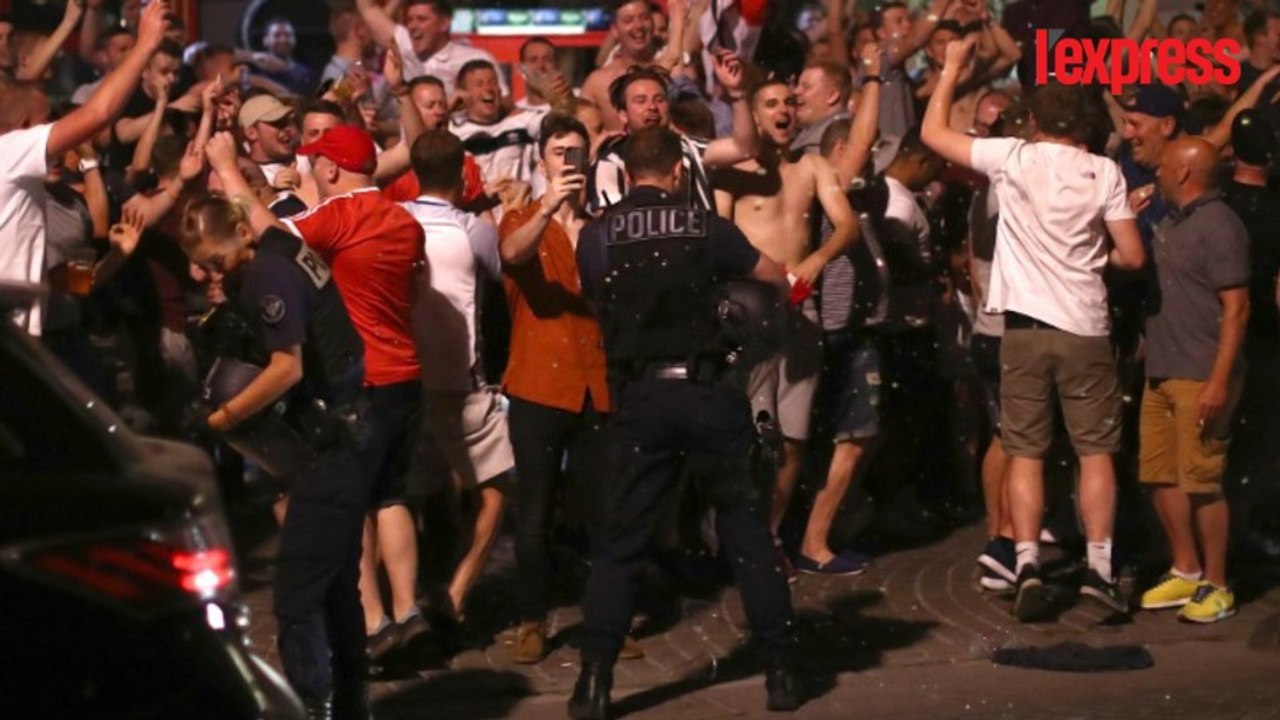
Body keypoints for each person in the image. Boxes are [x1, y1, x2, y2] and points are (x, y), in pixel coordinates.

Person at [570, 126, 800, 719]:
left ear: (625, 176)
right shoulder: (706, 227)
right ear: (678, 173)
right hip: (707, 392)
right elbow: (774, 275)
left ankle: (593, 681)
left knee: (621, 543)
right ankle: (780, 671)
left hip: (640, 398)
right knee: (748, 534)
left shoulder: (597, 237)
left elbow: (600, 297)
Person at [921, 37, 1146, 621]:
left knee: (1026, 451)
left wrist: (948, 70)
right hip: (1086, 328)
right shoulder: (1104, 171)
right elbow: (1133, 258)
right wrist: (1096, 254)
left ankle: (1025, 562)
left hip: (1022, 329)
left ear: (1038, 121)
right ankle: (1099, 569)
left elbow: (933, 136)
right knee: (1095, 453)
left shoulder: (1013, 159)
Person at [177, 184, 371, 717]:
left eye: (215, 261)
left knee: (296, 596)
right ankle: (351, 703)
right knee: (333, 585)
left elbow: (288, 367)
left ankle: (312, 705)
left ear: (241, 234)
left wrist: (224, 417)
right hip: (349, 432)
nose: (212, 274)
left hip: (331, 445)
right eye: (201, 267)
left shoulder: (266, 274)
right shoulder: (278, 243)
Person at [713, 79, 859, 575]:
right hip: (751, 316)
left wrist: (817, 259)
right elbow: (718, 239)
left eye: (789, 103)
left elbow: (847, 224)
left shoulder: (813, 166)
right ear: (753, 115)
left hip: (801, 315)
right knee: (753, 435)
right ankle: (737, 539)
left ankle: (770, 536)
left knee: (792, 439)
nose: (784, 110)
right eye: (771, 102)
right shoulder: (734, 174)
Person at [497, 113, 615, 663]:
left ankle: (609, 620)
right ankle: (530, 618)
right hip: (538, 386)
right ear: (541, 160)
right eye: (560, 151)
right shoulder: (521, 218)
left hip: (598, 386)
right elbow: (512, 256)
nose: (570, 161)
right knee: (534, 514)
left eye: (577, 152)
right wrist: (549, 206)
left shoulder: (603, 226)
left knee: (604, 512)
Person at [399, 129, 518, 629]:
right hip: (462, 382)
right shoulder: (473, 231)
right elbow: (502, 276)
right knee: (497, 488)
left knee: (410, 494)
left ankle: (407, 597)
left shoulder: (394, 220)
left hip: (407, 379)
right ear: (462, 174)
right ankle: (457, 591)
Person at [0, 0, 170, 336]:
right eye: (47, 122)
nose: (56, 130)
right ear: (23, 125)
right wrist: (146, 43)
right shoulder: (9, 151)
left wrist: (116, 257)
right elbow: (97, 115)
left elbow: (56, 281)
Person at [1137, 138, 1250, 624]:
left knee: (1202, 481)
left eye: (1163, 166)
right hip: (1162, 367)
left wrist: (1218, 381)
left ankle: (1218, 582)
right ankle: (1185, 566)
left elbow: (1237, 308)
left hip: (1201, 371)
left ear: (1184, 173)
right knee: (1160, 475)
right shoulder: (1170, 218)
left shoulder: (1220, 225)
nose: (1156, 171)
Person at [356, 0, 507, 98]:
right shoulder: (405, 46)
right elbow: (369, 9)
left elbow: (505, 101)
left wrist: (471, 100)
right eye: (409, 20)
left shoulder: (476, 59)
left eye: (422, 19)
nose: (412, 26)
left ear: (444, 23)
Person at [258, 18, 316, 94]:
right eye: (277, 35)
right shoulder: (256, 72)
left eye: (288, 35)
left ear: (294, 39)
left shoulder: (306, 74)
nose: (283, 40)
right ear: (265, 40)